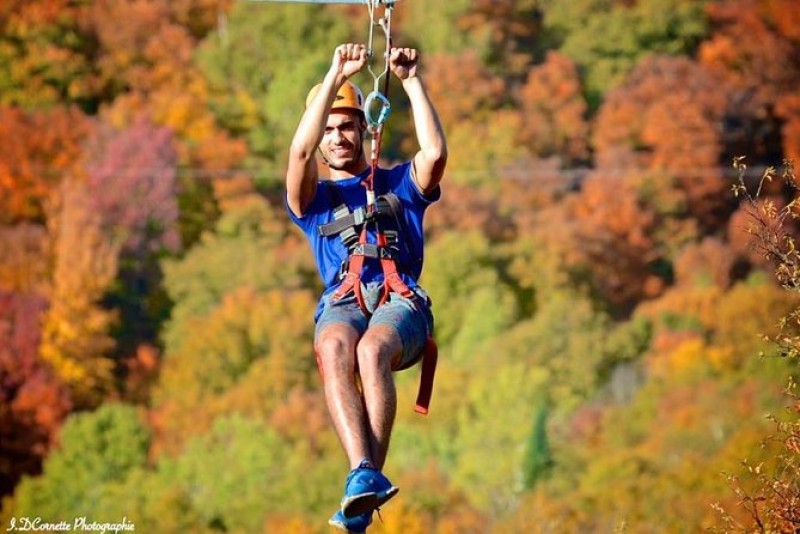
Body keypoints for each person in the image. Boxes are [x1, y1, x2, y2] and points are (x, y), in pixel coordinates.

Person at [285, 42, 446, 533]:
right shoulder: (314, 200)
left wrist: (411, 80)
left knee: (372, 350)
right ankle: (363, 477)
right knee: (335, 343)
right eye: (329, 128)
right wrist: (334, 72)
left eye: (346, 126)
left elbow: (435, 152)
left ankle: (364, 480)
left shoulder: (400, 184)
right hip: (344, 303)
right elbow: (300, 151)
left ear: (364, 129)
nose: (336, 137)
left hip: (400, 306)